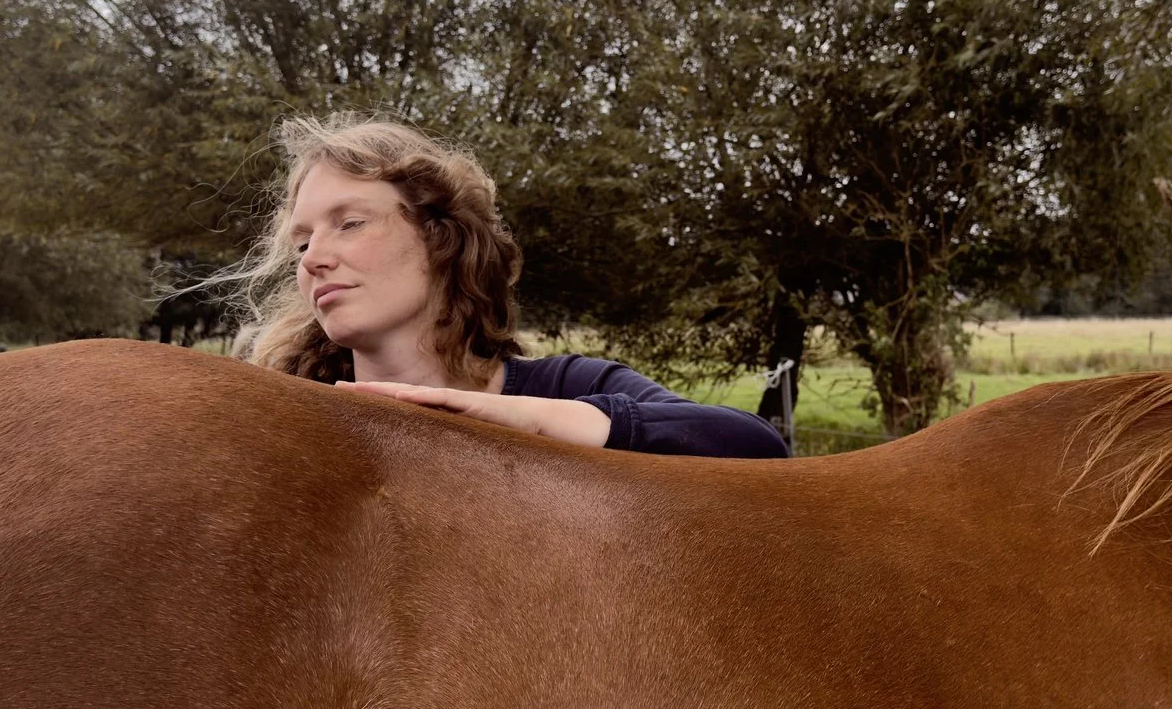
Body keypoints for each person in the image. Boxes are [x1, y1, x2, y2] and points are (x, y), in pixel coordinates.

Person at [222, 116, 787, 459]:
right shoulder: (284, 417)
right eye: (300, 244)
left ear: (442, 238)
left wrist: (534, 420)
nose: (314, 259)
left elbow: (755, 444)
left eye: (350, 223)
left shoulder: (569, 386)